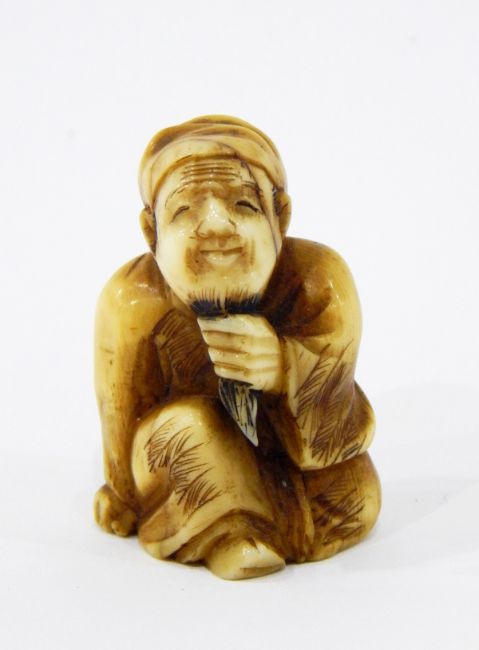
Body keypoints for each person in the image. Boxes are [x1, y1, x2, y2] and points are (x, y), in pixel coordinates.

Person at [93, 115, 381, 580]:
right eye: (184, 210)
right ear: (151, 230)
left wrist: (285, 368)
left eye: (244, 204)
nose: (215, 226)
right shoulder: (132, 301)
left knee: (357, 493)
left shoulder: (318, 282)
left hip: (288, 463)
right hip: (195, 461)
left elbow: (335, 413)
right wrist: (123, 494)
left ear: (279, 218)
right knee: (186, 431)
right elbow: (121, 409)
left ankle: (274, 523)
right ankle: (231, 533)